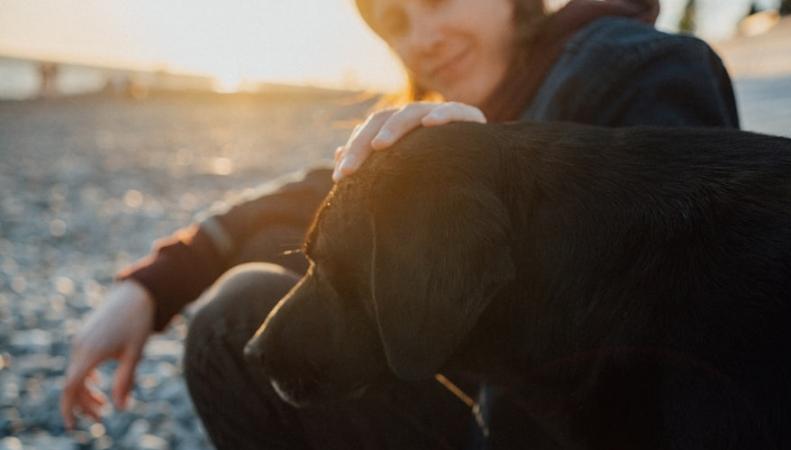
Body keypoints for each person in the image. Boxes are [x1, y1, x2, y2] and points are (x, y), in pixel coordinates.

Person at [61, 0, 739, 448]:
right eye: (395, 22)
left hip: (577, 428)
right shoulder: (473, 105)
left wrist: (486, 173)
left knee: (231, 324)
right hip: (515, 408)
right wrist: (151, 286)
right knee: (279, 251)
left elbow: (680, 331)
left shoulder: (630, 67)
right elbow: (309, 196)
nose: (422, 38)